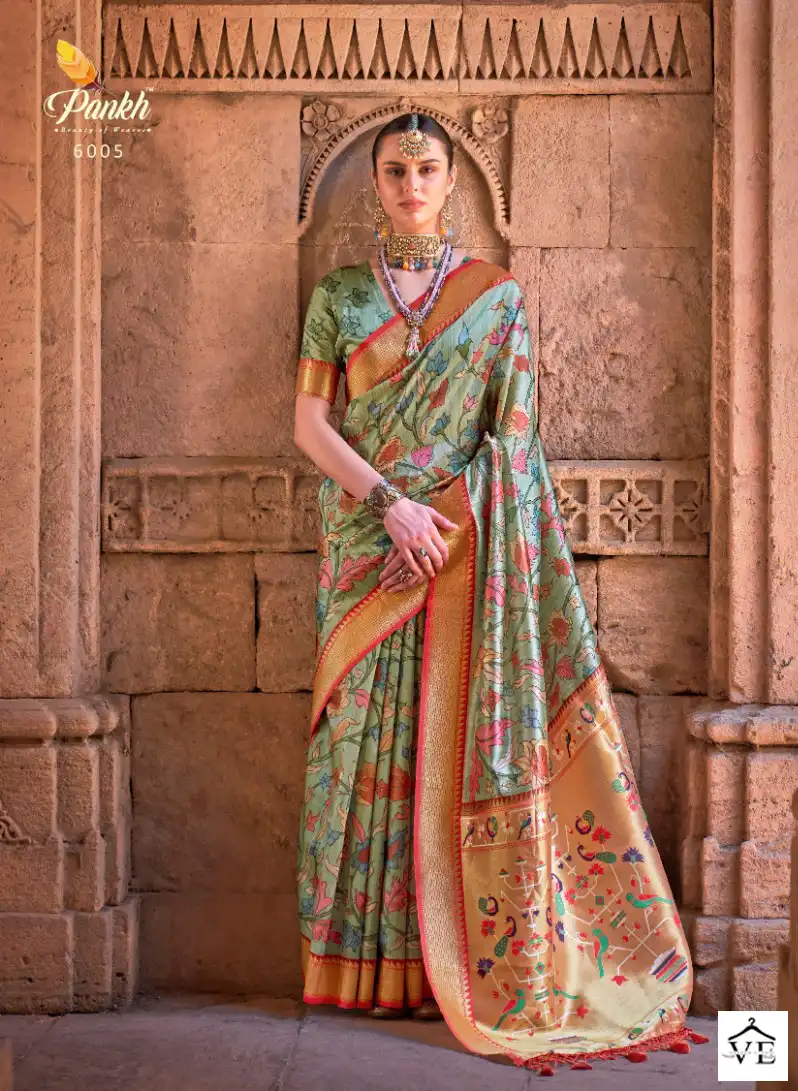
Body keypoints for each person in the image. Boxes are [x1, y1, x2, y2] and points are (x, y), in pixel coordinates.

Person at [292, 111, 709, 1075]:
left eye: (426, 168)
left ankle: (461, 965)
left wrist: (442, 523)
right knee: (355, 751)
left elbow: (513, 442)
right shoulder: (339, 297)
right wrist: (393, 508)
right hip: (366, 545)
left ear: (452, 182)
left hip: (463, 548)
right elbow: (310, 425)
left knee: (446, 740)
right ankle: (366, 970)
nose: (410, 183)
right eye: (394, 169)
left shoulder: (496, 298)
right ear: (375, 182)